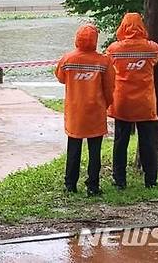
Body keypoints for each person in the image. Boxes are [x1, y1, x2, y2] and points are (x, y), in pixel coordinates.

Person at [55, 24, 114, 196]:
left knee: (73, 149)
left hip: (75, 113)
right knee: (95, 152)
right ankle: (93, 186)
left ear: (77, 38)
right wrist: (106, 104)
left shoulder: (67, 60)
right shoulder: (104, 61)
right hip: (95, 112)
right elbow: (109, 88)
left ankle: (70, 184)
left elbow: (60, 78)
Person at [107, 12, 158, 189]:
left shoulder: (114, 49)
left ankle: (119, 180)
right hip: (145, 103)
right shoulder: (152, 48)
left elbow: (108, 65)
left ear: (123, 26)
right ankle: (151, 180)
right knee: (147, 142)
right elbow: (156, 58)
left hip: (122, 102)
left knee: (120, 142)